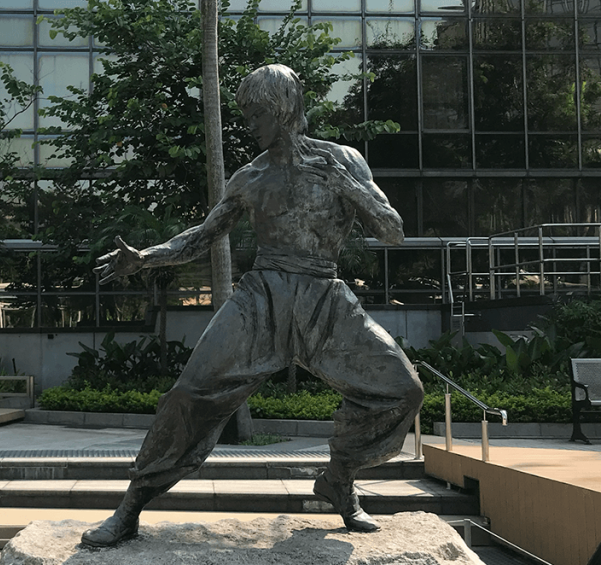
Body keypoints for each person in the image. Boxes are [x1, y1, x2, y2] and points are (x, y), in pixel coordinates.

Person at [82, 64, 424, 547]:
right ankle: (130, 507)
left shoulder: (344, 160)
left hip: (323, 297)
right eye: (246, 116)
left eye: (257, 113)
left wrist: (348, 184)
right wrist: (146, 258)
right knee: (188, 396)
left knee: (401, 391)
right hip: (260, 299)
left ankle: (339, 479)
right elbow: (203, 237)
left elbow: (392, 231)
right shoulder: (250, 176)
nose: (250, 125)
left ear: (283, 108)